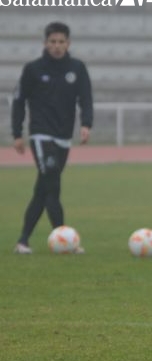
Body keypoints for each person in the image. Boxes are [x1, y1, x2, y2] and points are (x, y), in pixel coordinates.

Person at [11, 21, 93, 254]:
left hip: (63, 136)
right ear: (45, 43)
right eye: (52, 42)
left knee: (43, 189)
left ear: (68, 43)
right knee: (52, 184)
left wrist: (86, 123)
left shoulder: (77, 68)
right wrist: (17, 133)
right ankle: (64, 238)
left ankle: (23, 241)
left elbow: (86, 98)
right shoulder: (33, 69)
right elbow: (18, 101)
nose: (57, 46)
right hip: (40, 134)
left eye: (61, 42)